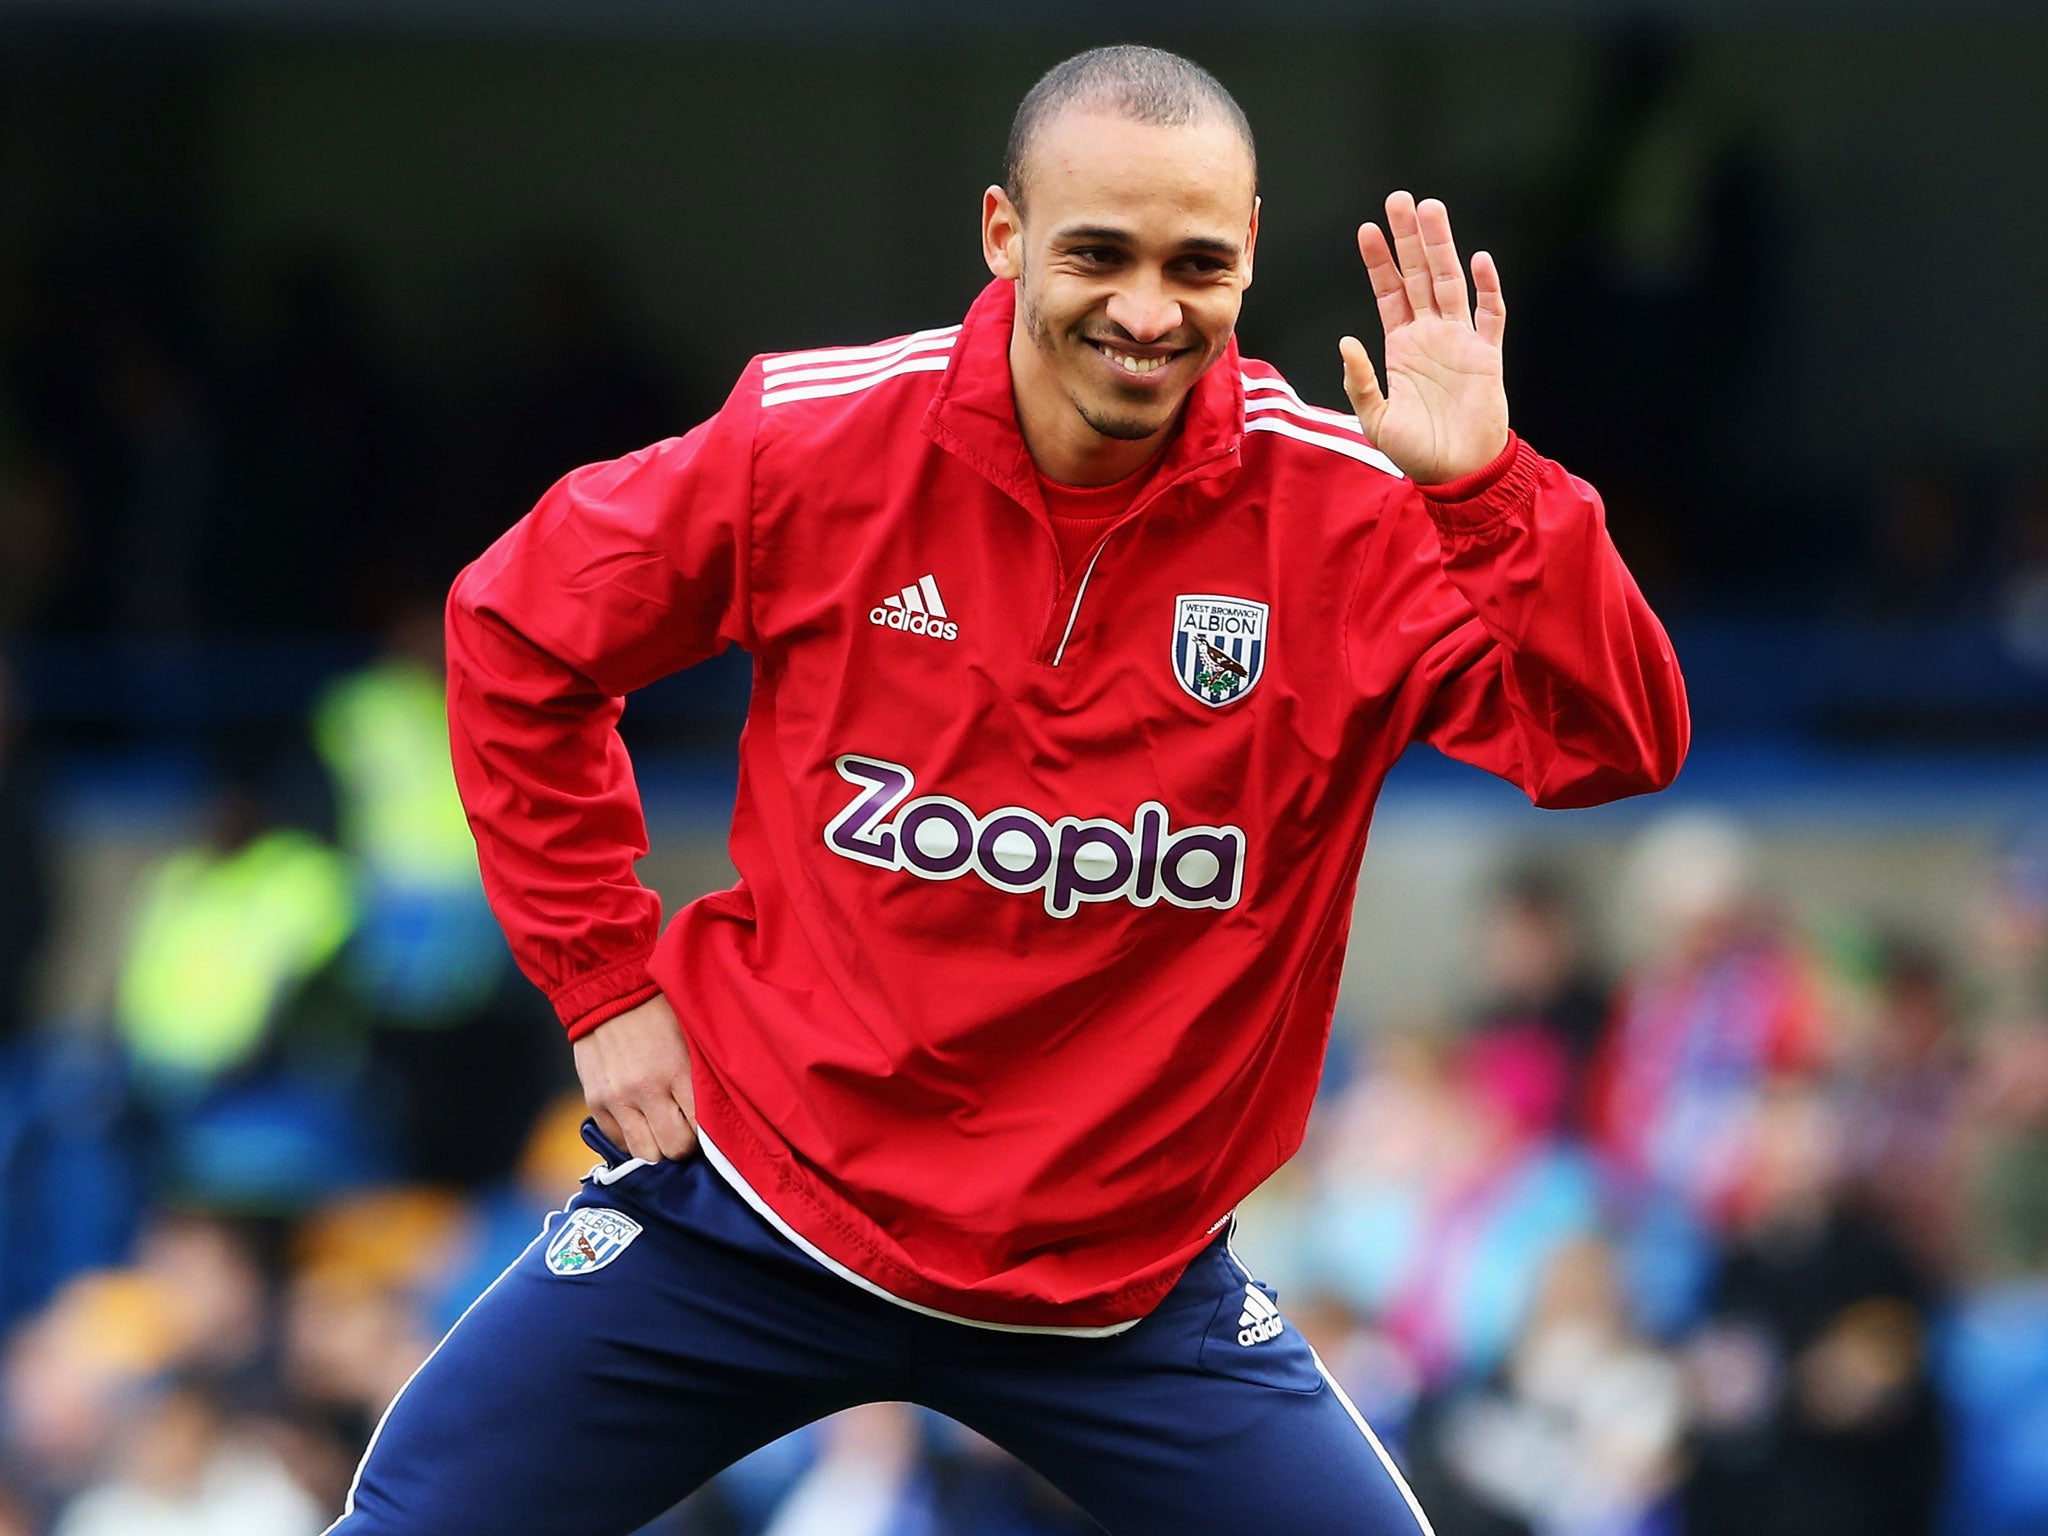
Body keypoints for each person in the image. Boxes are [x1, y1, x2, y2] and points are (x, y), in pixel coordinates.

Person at [327, 44, 1688, 1536]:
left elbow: (1611, 743)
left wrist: (1490, 492)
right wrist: (599, 982)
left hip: (1121, 1286)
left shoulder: (1352, 508)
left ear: (1247, 256)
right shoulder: (815, 437)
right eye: (1097, 253)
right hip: (764, 1204)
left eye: (1199, 264)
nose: (1149, 311)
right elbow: (517, 628)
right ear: (1003, 234)